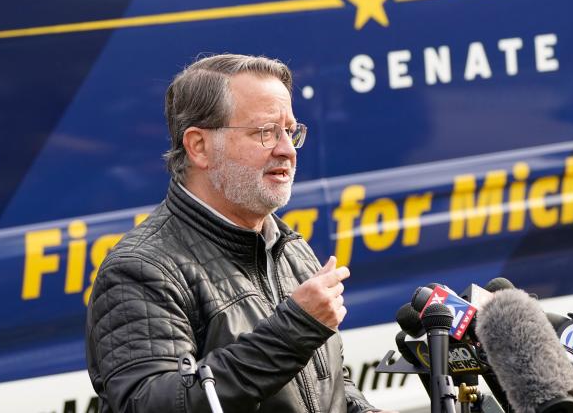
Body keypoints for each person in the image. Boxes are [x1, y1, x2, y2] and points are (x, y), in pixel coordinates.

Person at [86, 54, 396, 413]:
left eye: (290, 131)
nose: (286, 150)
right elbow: (153, 405)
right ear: (199, 146)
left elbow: (333, 387)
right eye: (265, 132)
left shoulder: (290, 248)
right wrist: (293, 331)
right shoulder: (140, 270)